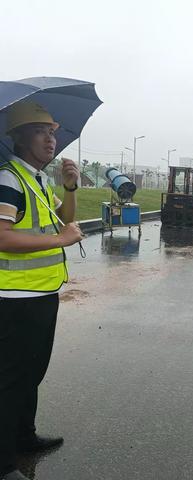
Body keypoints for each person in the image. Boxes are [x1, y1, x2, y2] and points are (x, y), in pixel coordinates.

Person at [0, 102, 83, 480]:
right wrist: (60, 240)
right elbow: (1, 236)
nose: (51, 139)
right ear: (18, 136)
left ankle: (25, 438)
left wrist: (69, 188)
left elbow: (65, 219)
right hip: (14, 298)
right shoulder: (10, 179)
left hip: (40, 293)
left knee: (31, 373)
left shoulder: (36, 178)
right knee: (11, 380)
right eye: (41, 131)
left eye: (53, 132)